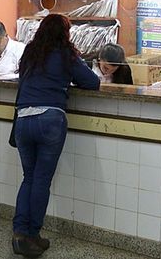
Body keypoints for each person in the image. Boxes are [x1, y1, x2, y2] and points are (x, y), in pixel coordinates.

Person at [12, 14, 100, 258]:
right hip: (50, 118)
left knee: (28, 178)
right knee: (41, 180)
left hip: (23, 119)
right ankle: (33, 236)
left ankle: (19, 233)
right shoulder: (65, 54)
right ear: (66, 33)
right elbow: (92, 82)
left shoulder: (30, 52)